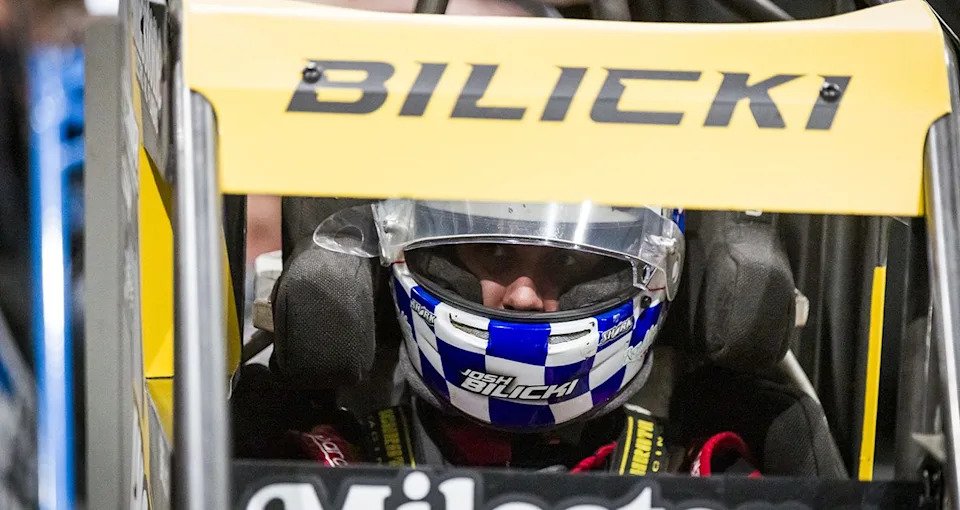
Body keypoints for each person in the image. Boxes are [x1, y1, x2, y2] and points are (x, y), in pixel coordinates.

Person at [234, 199, 764, 476]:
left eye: (565, 260)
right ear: (423, 256)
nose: (525, 297)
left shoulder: (700, 479)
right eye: (495, 254)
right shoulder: (318, 469)